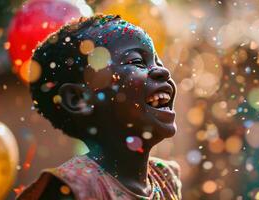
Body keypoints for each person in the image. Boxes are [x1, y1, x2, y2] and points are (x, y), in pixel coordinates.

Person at [17, 14, 182, 200]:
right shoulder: (72, 187)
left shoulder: (165, 178)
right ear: (79, 99)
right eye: (136, 62)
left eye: (157, 62)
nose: (163, 71)